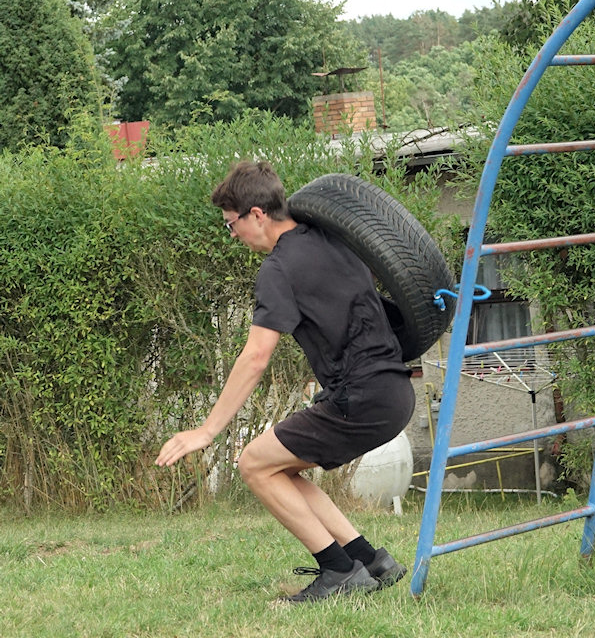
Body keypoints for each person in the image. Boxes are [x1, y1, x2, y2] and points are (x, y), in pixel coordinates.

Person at [155, 160, 416, 603]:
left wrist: (207, 430)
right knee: (280, 467)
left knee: (253, 464)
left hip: (360, 398)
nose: (232, 235)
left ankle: (338, 571)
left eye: (231, 224)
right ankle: (371, 561)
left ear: (257, 214)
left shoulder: (278, 268)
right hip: (394, 390)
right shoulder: (334, 239)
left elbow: (256, 356)